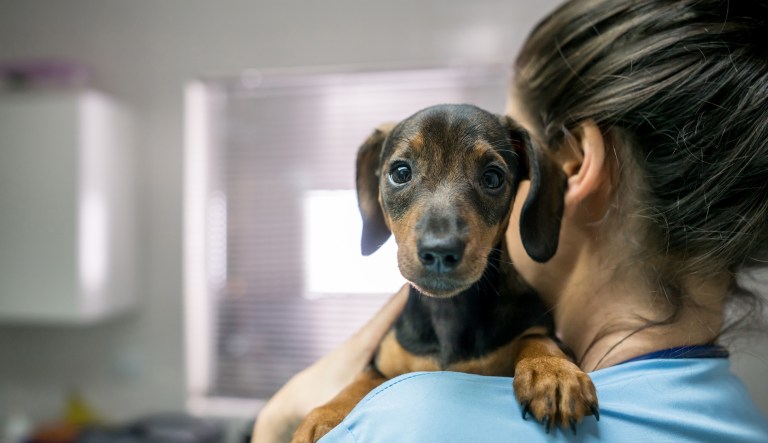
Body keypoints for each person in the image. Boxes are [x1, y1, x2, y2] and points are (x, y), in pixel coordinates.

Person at [253, 0, 768, 441]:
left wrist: (275, 420)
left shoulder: (409, 422)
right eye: (405, 173)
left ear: (569, 166)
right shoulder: (747, 421)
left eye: (494, 177)